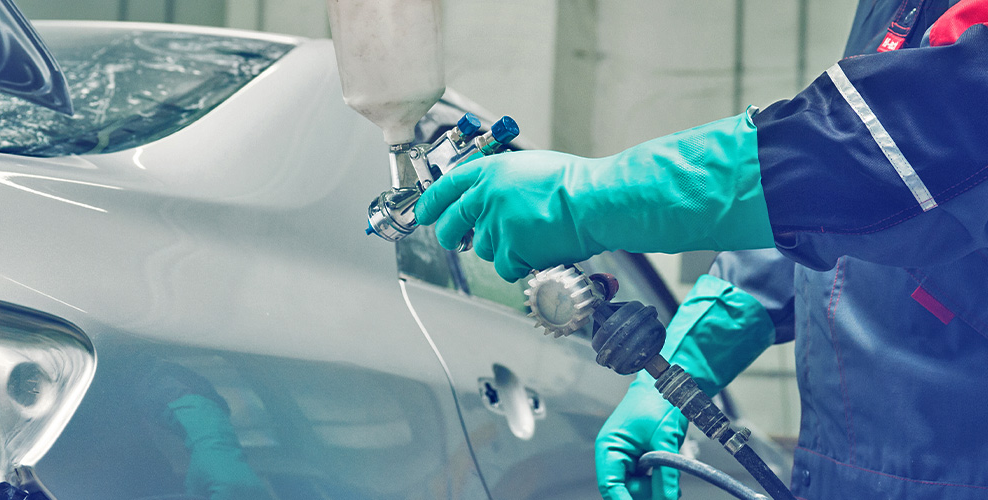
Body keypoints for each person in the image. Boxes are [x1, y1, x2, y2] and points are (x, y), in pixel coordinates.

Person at [414, 1, 988, 499]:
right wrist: (690, 357)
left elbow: (892, 147)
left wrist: (592, 196)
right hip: (852, 468)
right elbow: (833, 213)